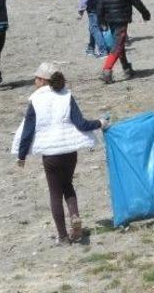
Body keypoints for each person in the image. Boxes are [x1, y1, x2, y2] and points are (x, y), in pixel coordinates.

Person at [13, 62, 109, 244]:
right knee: (68, 185)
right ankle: (74, 216)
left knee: (55, 193)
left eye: (37, 78)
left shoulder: (36, 99)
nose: (34, 81)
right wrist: (100, 122)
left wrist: (21, 155)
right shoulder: (67, 95)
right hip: (69, 151)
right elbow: (81, 124)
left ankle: (63, 237)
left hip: (50, 154)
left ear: (43, 81)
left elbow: (28, 130)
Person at [96, 0, 151, 83]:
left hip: (110, 19)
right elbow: (135, 0)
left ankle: (126, 68)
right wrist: (145, 13)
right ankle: (106, 70)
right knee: (118, 44)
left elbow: (100, 5)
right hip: (121, 18)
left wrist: (101, 19)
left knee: (119, 43)